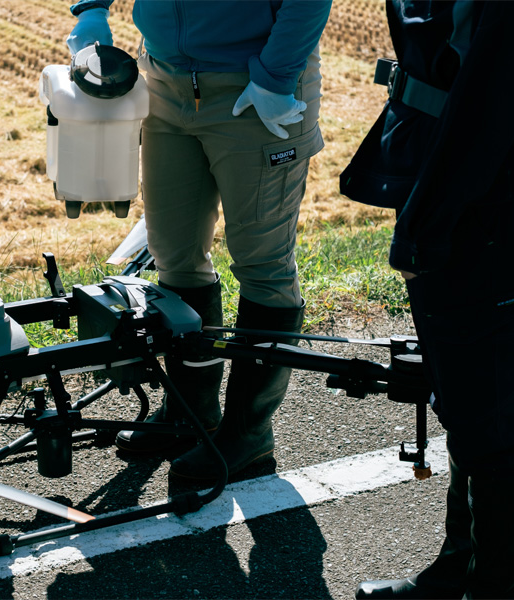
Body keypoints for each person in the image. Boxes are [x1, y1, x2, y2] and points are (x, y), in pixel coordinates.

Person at [66, 0, 331, 480]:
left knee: (263, 267)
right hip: (164, 85)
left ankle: (248, 436)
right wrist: (91, 9)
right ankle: (192, 414)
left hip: (257, 88)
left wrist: (275, 78)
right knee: (175, 258)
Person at [340, 1, 514, 597]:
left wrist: (428, 219)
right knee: (469, 397)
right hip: (479, 180)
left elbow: (491, 95)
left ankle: (493, 589)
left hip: (489, 192)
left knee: (490, 410)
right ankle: (459, 571)